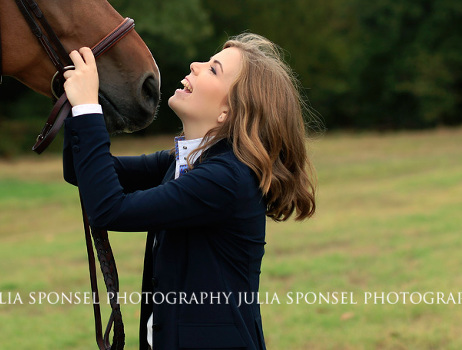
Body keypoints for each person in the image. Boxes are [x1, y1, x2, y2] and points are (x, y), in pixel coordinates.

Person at [62, 32, 317, 350]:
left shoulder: (226, 179)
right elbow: (82, 172)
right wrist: (75, 102)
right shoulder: (186, 161)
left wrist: (88, 109)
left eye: (213, 69)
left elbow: (110, 208)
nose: (195, 65)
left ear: (230, 110)